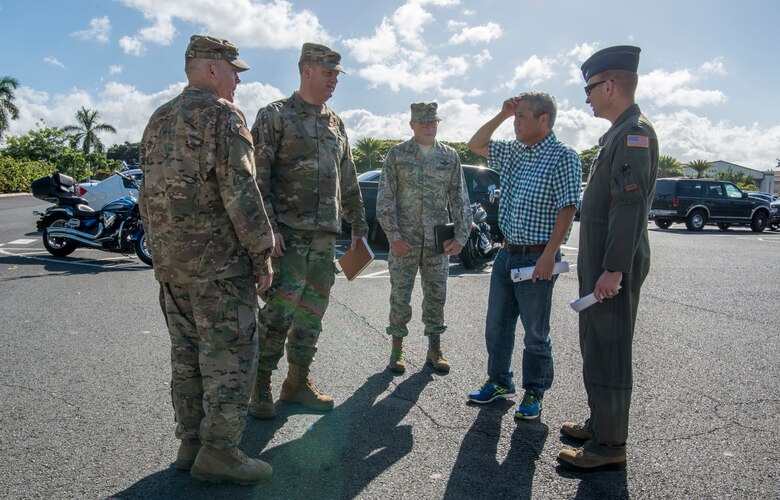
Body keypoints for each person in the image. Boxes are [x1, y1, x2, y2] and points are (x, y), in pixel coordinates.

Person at [139, 35, 275, 485]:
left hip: (172, 267)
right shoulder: (223, 114)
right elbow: (240, 191)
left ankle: (191, 443)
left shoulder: (158, 120)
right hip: (218, 266)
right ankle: (220, 451)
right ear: (210, 68)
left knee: (188, 357)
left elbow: (148, 197)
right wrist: (262, 254)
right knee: (231, 356)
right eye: (234, 69)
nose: (238, 79)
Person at [248, 43, 367, 419]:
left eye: (336, 73)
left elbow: (348, 179)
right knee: (277, 315)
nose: (334, 79)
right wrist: (267, 229)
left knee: (312, 315)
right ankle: (260, 384)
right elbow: (256, 176)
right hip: (288, 236)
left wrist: (359, 228)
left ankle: (297, 383)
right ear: (305, 70)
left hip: (324, 238)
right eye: (328, 71)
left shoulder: (336, 123)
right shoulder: (275, 116)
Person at [556, 45, 659, 472]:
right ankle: (601, 422)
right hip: (602, 265)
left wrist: (614, 268)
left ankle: (610, 442)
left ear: (611, 85)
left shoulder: (635, 134)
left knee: (610, 349)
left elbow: (628, 207)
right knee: (596, 345)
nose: (587, 97)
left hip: (610, 267)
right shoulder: (619, 133)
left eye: (591, 88)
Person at [466, 92, 581, 420]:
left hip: (537, 257)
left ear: (544, 119)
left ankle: (535, 391)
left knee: (535, 330)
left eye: (521, 117)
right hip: (507, 254)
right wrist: (502, 113)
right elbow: (476, 144)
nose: (516, 124)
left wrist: (548, 255)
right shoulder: (514, 151)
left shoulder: (563, 156)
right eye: (515, 118)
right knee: (497, 325)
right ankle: (500, 381)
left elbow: (567, 208)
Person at [376, 102, 472, 375]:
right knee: (400, 296)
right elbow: (385, 199)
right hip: (404, 241)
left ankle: (434, 349)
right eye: (424, 123)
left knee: (436, 296)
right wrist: (393, 236)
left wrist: (461, 237)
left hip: (436, 243)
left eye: (434, 123)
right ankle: (396, 351)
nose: (430, 127)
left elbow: (460, 199)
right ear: (412, 125)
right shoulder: (397, 154)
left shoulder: (449, 156)